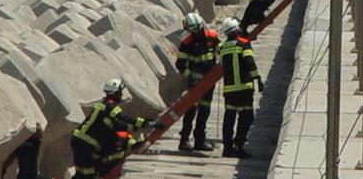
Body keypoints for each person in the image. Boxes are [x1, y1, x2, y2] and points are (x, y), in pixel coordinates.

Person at [70, 78, 165, 179]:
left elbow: (121, 126)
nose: (121, 95)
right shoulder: (109, 106)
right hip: (85, 143)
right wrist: (148, 123)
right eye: (120, 92)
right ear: (115, 93)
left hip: (84, 142)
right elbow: (125, 118)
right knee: (87, 174)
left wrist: (141, 128)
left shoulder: (103, 107)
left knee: (86, 173)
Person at [218, 17, 263, 158]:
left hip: (229, 90)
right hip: (244, 88)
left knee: (229, 119)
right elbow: (249, 62)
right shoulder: (243, 44)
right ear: (237, 29)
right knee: (247, 117)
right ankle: (238, 145)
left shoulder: (222, 48)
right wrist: (258, 79)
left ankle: (227, 148)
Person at [175, 12, 220, 152]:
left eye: (197, 30)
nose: (195, 33)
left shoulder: (212, 37)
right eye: (192, 31)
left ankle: (200, 141)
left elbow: (221, 50)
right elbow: (180, 65)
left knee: (204, 110)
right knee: (190, 110)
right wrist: (191, 75)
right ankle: (184, 141)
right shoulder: (186, 42)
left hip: (209, 80)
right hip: (195, 82)